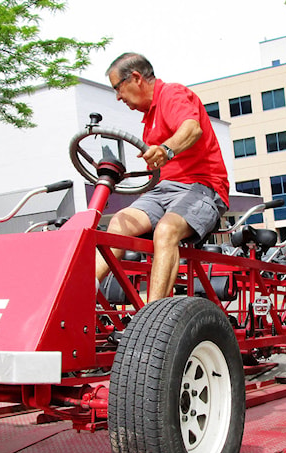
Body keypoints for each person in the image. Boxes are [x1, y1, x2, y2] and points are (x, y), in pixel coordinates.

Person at [95, 52, 229, 301]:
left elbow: (192, 128)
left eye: (118, 88)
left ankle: (151, 319)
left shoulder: (172, 94)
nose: (118, 97)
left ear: (135, 78)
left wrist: (167, 149)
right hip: (162, 191)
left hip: (201, 188)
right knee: (118, 224)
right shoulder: (148, 119)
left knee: (166, 230)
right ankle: (79, 296)